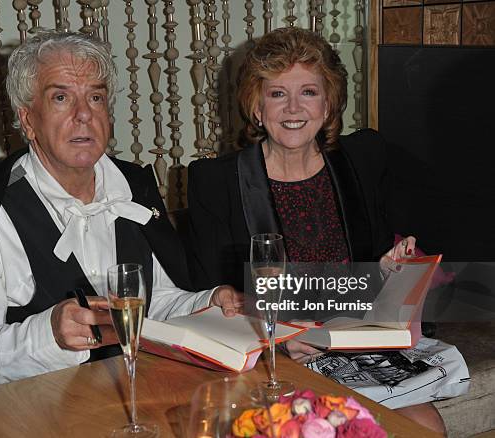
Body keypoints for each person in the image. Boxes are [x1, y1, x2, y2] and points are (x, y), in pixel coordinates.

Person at [0, 30, 241, 407]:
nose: (84, 115)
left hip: (132, 403)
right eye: (61, 98)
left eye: (96, 97)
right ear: (27, 120)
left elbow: (152, 303)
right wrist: (50, 335)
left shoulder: (134, 186)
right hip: (28, 418)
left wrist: (206, 304)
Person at [186, 27, 445, 432]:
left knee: (425, 425)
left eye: (308, 92)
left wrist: (395, 269)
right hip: (271, 358)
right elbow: (207, 297)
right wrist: (280, 338)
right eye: (277, 94)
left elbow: (375, 273)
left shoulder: (363, 158)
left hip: (356, 345)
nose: (293, 108)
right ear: (256, 107)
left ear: (328, 104)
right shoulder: (214, 182)